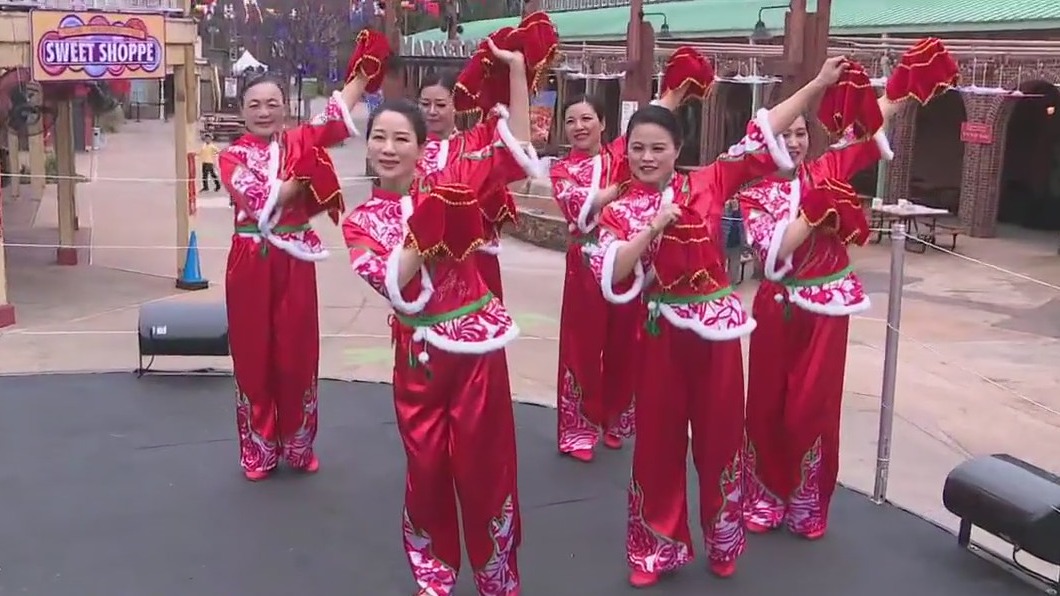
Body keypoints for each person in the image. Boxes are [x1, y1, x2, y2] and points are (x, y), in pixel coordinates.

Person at [587, 56, 850, 587]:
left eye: (658, 148)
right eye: (637, 148)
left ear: (677, 151)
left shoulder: (708, 183)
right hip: (659, 337)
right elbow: (612, 268)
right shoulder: (618, 210)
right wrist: (652, 229)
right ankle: (654, 548)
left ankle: (723, 538)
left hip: (718, 338)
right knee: (659, 443)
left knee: (720, 439)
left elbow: (765, 131)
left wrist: (819, 85)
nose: (646, 157)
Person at [342, 39, 535, 596]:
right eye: (379, 137)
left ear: (423, 148)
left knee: (485, 464)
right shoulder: (361, 222)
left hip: (476, 350)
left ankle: (497, 575)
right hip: (419, 356)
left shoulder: (455, 178)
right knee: (426, 467)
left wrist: (518, 73)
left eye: (402, 138)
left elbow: (517, 147)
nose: (388, 147)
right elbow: (388, 281)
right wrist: (423, 228)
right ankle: (434, 572)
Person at [738, 94, 904, 540]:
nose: (793, 142)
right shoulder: (754, 193)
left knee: (814, 406)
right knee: (767, 403)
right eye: (784, 134)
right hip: (778, 305)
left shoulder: (826, 170)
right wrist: (813, 213)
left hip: (827, 310)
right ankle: (765, 493)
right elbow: (770, 251)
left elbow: (867, 124)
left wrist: (904, 84)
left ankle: (809, 497)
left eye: (800, 133)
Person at [217, 72, 364, 481]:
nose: (264, 112)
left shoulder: (300, 141)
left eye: (272, 103)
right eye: (254, 105)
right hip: (250, 261)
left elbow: (336, 115)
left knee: (298, 351)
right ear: (242, 111)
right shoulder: (231, 157)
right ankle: (259, 449)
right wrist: (303, 171)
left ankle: (299, 445)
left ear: (286, 107)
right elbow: (261, 197)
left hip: (295, 259)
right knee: (252, 353)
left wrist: (364, 74)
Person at [548, 86, 685, 462]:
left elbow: (652, 123)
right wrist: (612, 192)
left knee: (627, 342)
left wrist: (674, 90)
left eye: (586, 118)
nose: (578, 127)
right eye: (571, 121)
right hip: (585, 262)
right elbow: (574, 205)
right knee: (582, 346)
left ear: (603, 124)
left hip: (629, 253)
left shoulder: (620, 154)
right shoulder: (561, 169)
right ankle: (577, 429)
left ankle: (615, 420)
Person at [416, 69, 510, 299]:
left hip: (476, 260)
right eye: (425, 104)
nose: (432, 111)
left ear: (455, 105)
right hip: (422, 260)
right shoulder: (408, 150)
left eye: (440, 104)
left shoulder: (475, 143)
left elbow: (510, 137)